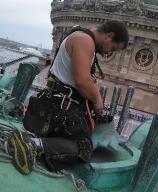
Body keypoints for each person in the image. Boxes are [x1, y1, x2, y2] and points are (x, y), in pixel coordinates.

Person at [7, 20, 129, 175]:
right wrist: (97, 99)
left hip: (57, 105)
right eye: (112, 48)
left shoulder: (81, 37)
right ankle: (32, 144)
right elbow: (82, 80)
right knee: (84, 148)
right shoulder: (84, 40)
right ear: (109, 36)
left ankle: (40, 143)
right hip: (61, 108)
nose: (108, 53)